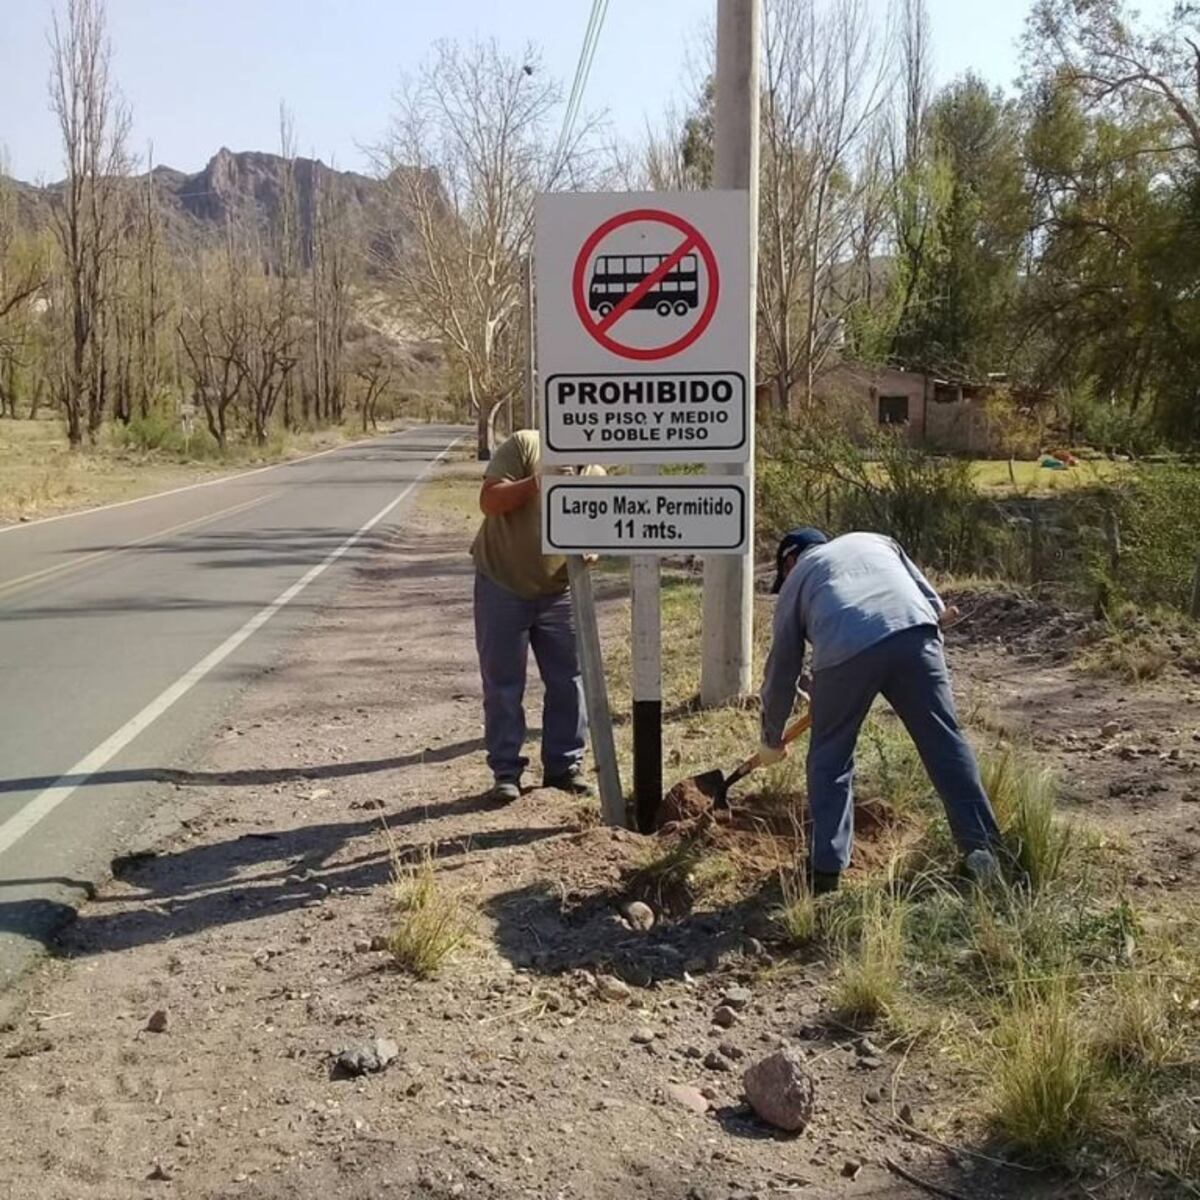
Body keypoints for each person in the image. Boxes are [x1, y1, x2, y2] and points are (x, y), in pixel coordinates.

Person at [759, 527, 1001, 893]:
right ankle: (983, 850)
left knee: (830, 756)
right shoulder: (875, 540)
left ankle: (825, 871)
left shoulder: (798, 577)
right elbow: (934, 606)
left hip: (845, 649)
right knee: (945, 743)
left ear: (789, 560)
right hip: (916, 634)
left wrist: (771, 736)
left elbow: (782, 667)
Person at [471, 429, 598, 803]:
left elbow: (597, 528)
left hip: (560, 591)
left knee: (569, 681)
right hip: (502, 582)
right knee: (503, 684)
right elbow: (489, 501)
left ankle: (564, 767)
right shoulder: (527, 444)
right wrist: (538, 482)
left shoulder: (596, 476)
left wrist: (593, 547)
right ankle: (506, 771)